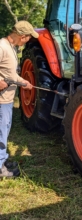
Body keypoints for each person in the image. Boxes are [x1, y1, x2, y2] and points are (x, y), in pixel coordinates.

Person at [0, 20, 39, 178]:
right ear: (22, 36)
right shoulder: (2, 46)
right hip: (1, 101)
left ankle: (2, 160)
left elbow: (10, 74)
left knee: (5, 130)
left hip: (7, 99)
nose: (29, 40)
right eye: (29, 37)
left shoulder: (12, 48)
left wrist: (23, 82)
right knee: (1, 133)